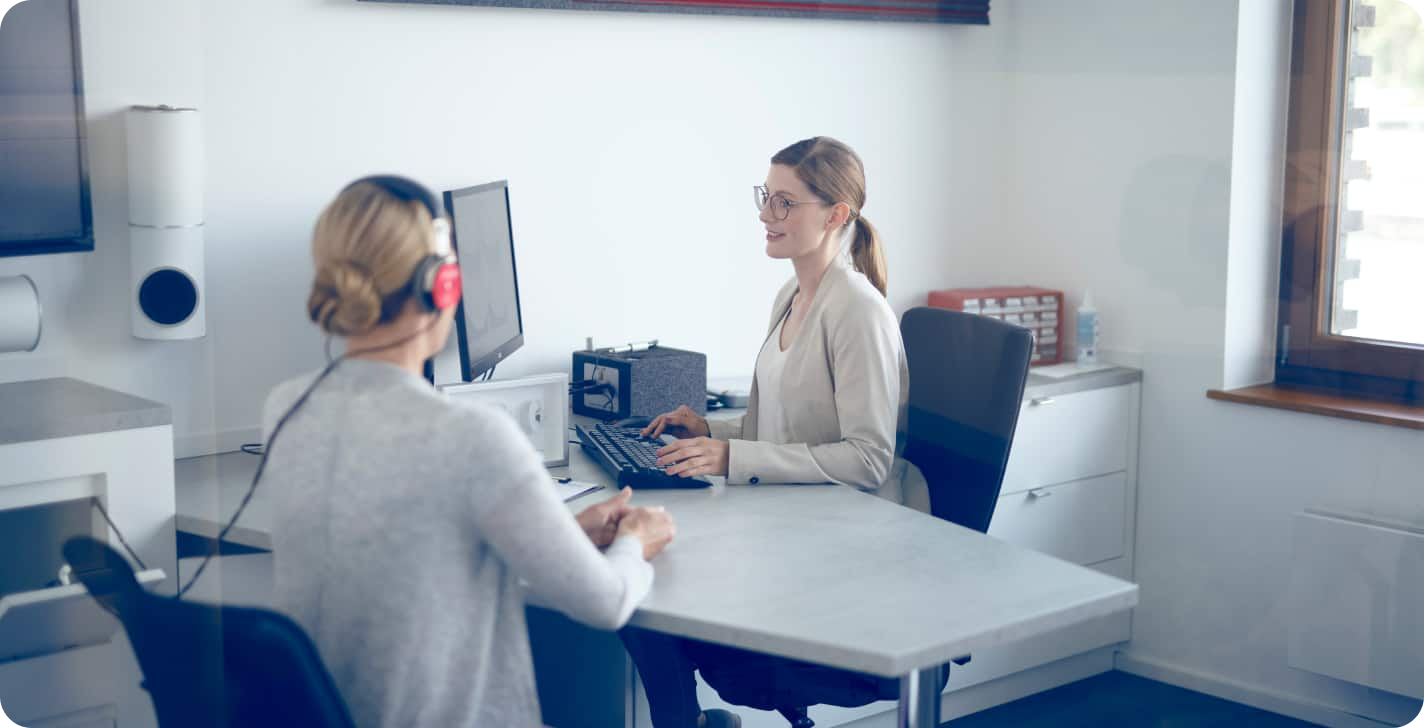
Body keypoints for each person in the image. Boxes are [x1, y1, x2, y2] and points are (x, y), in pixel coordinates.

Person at [259, 175, 676, 728]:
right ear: (444, 286)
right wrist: (633, 539)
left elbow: (415, 561)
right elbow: (604, 602)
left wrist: (562, 534)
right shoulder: (471, 435)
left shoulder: (285, 408)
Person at [625, 137, 925, 728]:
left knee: (651, 601)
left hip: (842, 564)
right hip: (792, 533)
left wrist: (731, 455)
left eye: (785, 202)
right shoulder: (791, 294)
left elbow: (867, 459)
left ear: (836, 214)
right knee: (644, 596)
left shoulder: (858, 311)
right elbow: (784, 425)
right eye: (767, 197)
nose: (766, 215)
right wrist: (712, 428)